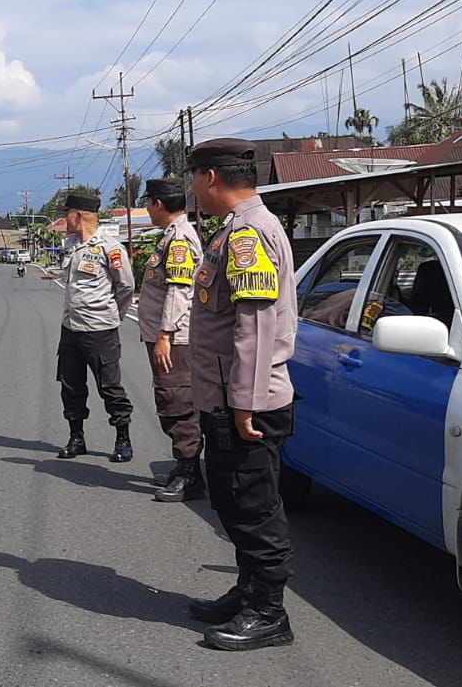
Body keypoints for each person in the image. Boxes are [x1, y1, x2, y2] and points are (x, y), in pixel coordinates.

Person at [185, 138, 300, 651]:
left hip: (245, 404)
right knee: (234, 501)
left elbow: (254, 326)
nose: (194, 190)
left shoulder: (249, 235)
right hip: (232, 397)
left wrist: (244, 402)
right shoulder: (237, 231)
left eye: (194, 179)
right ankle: (248, 590)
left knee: (254, 507)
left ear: (210, 177)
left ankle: (268, 613)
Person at [54, 190, 136, 462]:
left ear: (78, 215)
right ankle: (76, 437)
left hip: (99, 330)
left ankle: (122, 439)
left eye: (66, 214)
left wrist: (113, 316)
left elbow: (126, 287)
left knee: (109, 387)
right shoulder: (72, 246)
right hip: (71, 328)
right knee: (71, 385)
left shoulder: (110, 248)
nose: (64, 219)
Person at [138, 178, 205, 503]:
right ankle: (184, 467)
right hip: (167, 337)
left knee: (177, 401)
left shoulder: (178, 238)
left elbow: (180, 291)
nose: (148, 209)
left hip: (175, 340)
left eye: (149, 203)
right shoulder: (170, 236)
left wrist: (165, 334)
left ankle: (190, 473)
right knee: (170, 399)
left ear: (158, 204)